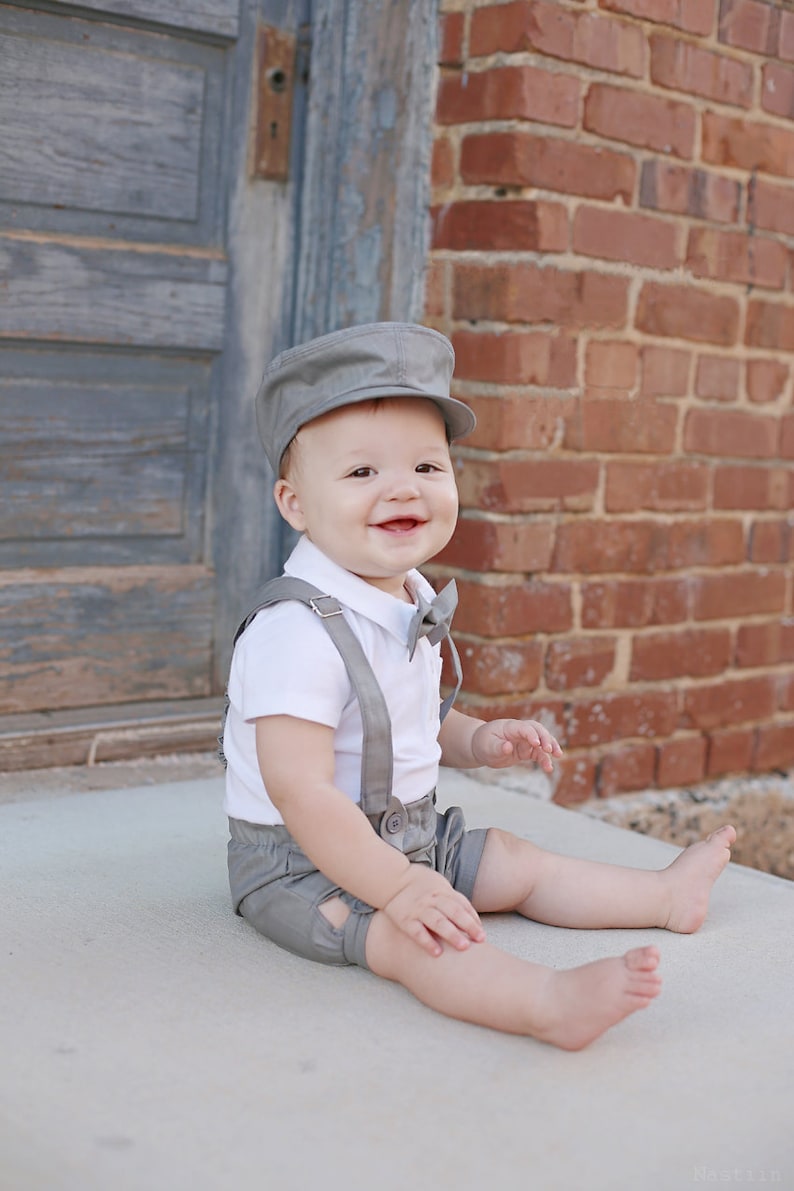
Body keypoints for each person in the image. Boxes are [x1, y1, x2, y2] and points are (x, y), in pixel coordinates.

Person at [221, 322, 736, 1051]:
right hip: (301, 866)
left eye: (427, 466)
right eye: (362, 472)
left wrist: (479, 739)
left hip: (408, 832)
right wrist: (399, 889)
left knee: (517, 861)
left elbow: (403, 723)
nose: (402, 486)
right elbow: (301, 790)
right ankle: (545, 1001)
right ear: (295, 502)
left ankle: (665, 896)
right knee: (413, 937)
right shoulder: (293, 631)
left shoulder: (408, 594)